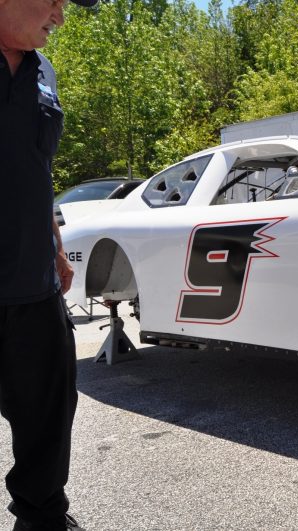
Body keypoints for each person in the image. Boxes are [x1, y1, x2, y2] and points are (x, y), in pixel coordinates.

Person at [0, 0, 97, 529]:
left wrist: (55, 245)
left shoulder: (44, 71)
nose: (59, 18)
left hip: (34, 288)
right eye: (54, 0)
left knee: (47, 423)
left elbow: (38, 168)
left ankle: (42, 520)